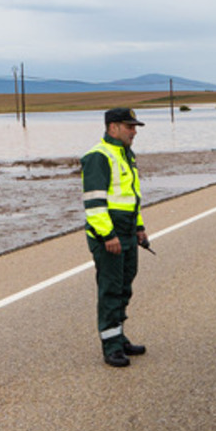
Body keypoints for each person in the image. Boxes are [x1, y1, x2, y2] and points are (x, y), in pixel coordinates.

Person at [81, 107, 150, 367]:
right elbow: (94, 203)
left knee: (124, 287)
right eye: (129, 127)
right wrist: (108, 235)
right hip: (109, 236)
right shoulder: (98, 156)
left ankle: (119, 338)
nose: (134, 132)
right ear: (113, 128)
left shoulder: (125, 154)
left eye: (135, 127)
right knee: (110, 290)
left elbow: (131, 199)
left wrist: (140, 228)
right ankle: (111, 346)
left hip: (128, 234)